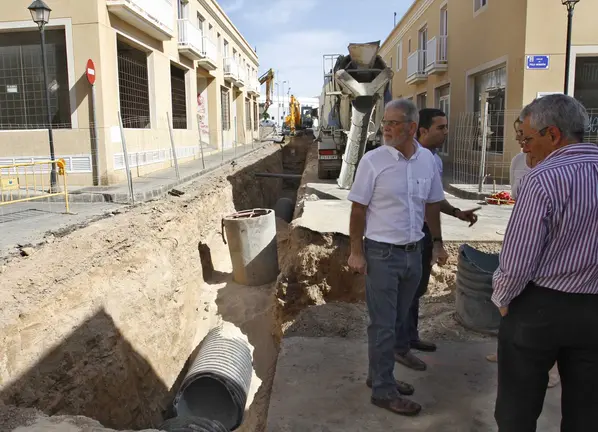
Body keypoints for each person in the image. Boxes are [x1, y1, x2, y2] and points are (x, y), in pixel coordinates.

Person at [492, 94, 598, 431]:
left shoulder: (541, 180)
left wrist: (503, 299)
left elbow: (518, 261)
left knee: (517, 409)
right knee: (588, 408)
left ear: (553, 135)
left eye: (527, 138)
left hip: (540, 308)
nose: (524, 149)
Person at [347, 98, 449, 416]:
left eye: (393, 123)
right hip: (381, 255)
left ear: (411, 127)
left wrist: (438, 243)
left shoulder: (427, 162)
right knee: (383, 326)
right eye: (385, 123)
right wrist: (355, 252)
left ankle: (379, 376)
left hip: (414, 253)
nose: (386, 128)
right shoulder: (373, 161)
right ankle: (383, 390)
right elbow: (358, 208)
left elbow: (432, 205)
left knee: (398, 320)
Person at [394, 108, 480, 371]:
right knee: (404, 293)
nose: (445, 132)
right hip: (405, 237)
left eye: (446, 127)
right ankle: (399, 347)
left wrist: (455, 211)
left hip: (423, 235)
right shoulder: (407, 157)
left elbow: (433, 198)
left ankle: (410, 337)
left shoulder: (433, 160)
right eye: (440, 128)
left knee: (417, 290)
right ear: (422, 131)